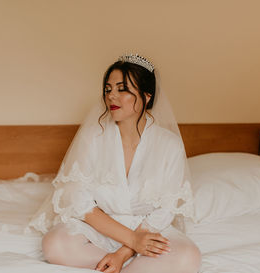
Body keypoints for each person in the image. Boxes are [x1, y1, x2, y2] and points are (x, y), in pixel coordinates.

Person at [39, 54, 201, 273]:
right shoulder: (93, 137)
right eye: (108, 89)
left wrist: (123, 252)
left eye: (122, 89)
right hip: (99, 228)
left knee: (188, 258)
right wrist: (132, 240)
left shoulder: (169, 144)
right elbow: (79, 200)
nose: (111, 96)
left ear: (146, 96)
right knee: (55, 244)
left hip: (149, 230)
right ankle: (131, 268)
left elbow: (166, 208)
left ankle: (116, 265)